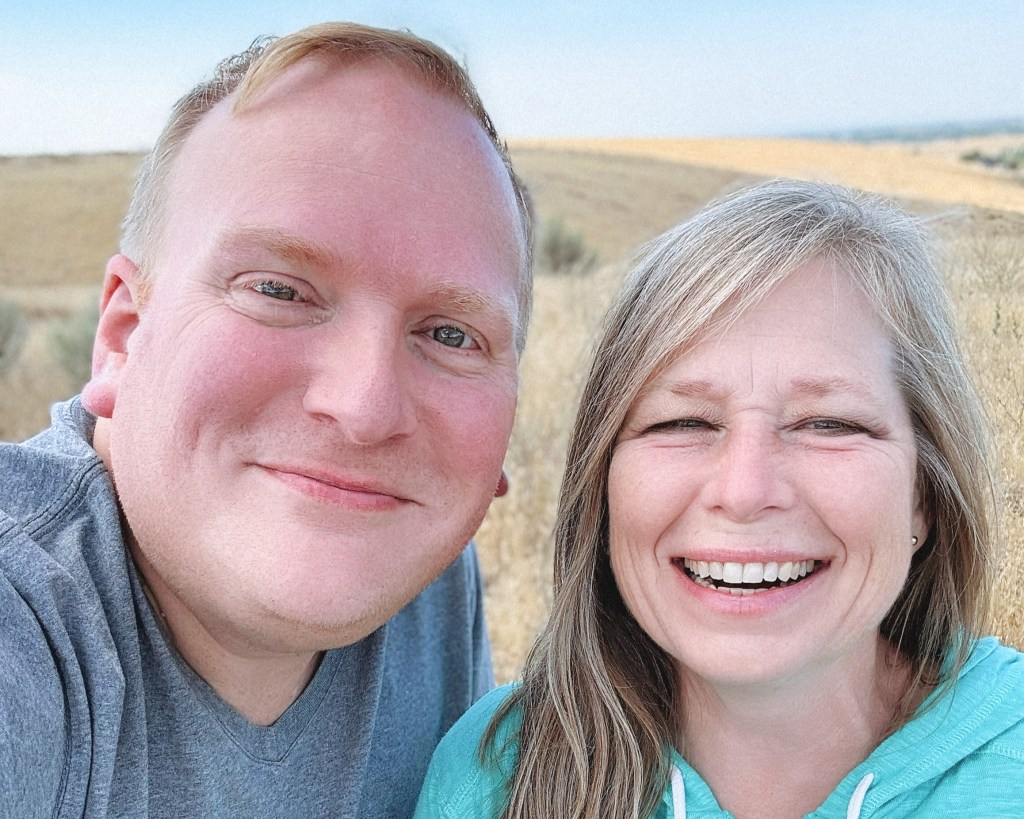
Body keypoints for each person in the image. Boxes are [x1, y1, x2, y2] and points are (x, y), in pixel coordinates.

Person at [0, 21, 532, 818]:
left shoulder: (420, 576)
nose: (365, 410)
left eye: (451, 334)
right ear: (122, 337)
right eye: (279, 290)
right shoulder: (28, 619)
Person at [415, 180, 1024, 818]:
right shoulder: (494, 781)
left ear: (922, 498)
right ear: (603, 484)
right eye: (684, 424)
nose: (744, 492)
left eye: (829, 425)